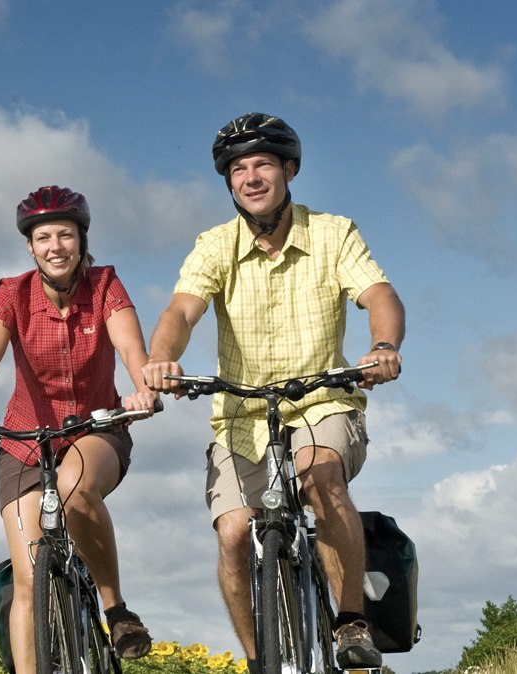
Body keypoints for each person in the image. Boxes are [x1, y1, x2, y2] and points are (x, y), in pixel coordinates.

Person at [140, 112, 405, 669]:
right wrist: (162, 358)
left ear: (289, 170)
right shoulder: (213, 245)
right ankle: (263, 660)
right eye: (238, 169)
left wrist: (382, 346)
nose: (250, 177)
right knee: (235, 531)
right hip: (240, 416)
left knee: (318, 475)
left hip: (322, 401)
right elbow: (181, 311)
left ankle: (351, 622)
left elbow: (379, 293)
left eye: (262, 164)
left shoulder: (333, 233)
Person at [0, 185, 159, 672]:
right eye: (43, 238)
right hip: (25, 442)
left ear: (81, 240)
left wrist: (144, 390)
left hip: (95, 430)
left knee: (76, 493)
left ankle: (116, 610)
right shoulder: (10, 294)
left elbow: (131, 349)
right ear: (30, 247)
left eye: (65, 235)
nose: (55, 246)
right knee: (28, 579)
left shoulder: (105, 286)